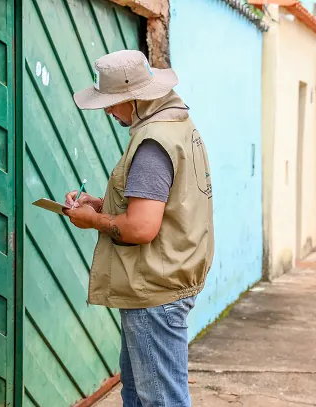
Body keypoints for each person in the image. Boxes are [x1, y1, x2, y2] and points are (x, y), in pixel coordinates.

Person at [64, 50, 214, 406]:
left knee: (160, 400)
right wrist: (101, 207)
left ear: (134, 99)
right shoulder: (179, 125)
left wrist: (93, 221)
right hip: (166, 280)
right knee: (138, 395)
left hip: (154, 292)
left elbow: (143, 228)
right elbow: (163, 208)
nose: (107, 110)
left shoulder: (151, 144)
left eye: (112, 102)